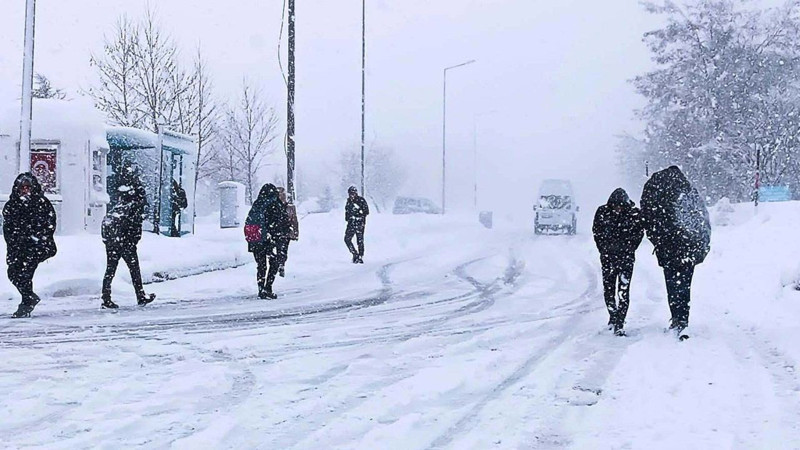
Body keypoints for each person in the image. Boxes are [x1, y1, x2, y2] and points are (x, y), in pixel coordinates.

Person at [640, 166, 711, 339]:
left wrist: (658, 241)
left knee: (672, 285)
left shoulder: (659, 195)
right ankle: (683, 320)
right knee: (685, 286)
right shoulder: (688, 193)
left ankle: (676, 318)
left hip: (669, 251)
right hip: (689, 250)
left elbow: (650, 221)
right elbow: (702, 221)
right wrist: (700, 246)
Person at [3, 173, 57, 318]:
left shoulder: (41, 203)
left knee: (26, 274)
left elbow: (50, 224)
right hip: (18, 248)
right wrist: (14, 244)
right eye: (23, 187)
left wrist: (39, 239)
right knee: (13, 273)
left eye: (28, 187)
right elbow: (7, 228)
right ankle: (29, 298)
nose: (25, 190)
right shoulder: (12, 205)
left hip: (37, 247)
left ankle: (26, 304)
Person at [100, 168, 155, 309]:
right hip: (126, 243)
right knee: (134, 269)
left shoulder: (120, 205)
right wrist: (132, 240)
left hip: (113, 242)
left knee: (110, 269)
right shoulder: (134, 206)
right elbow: (134, 226)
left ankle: (106, 298)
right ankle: (140, 295)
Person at [592, 188, 644, 336]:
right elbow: (597, 232)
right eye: (615, 206)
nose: (618, 209)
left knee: (623, 291)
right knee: (608, 290)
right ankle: (613, 316)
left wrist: (629, 248)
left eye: (620, 206)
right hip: (608, 258)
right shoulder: (603, 213)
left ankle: (620, 322)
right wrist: (603, 249)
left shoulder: (634, 215)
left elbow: (639, 233)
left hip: (625, 259)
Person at [244, 184, 290, 299]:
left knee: (261, 265)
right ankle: (268, 287)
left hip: (256, 239)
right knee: (274, 262)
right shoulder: (274, 204)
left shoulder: (257, 203)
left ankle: (260, 288)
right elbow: (281, 221)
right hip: (269, 239)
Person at [276, 187, 299, 277]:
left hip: (286, 232)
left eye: (283, 194)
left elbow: (294, 220)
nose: (283, 196)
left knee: (283, 249)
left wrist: (295, 233)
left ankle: (281, 264)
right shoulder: (274, 207)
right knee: (280, 249)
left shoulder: (290, 207)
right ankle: (279, 264)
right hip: (277, 232)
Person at [344, 186, 369, 264]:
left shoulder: (361, 200)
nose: (351, 195)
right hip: (351, 223)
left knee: (360, 240)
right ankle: (355, 254)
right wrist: (348, 218)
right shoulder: (348, 201)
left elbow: (366, 211)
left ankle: (360, 256)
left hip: (359, 223)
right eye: (350, 193)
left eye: (353, 193)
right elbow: (347, 211)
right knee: (347, 239)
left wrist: (358, 213)